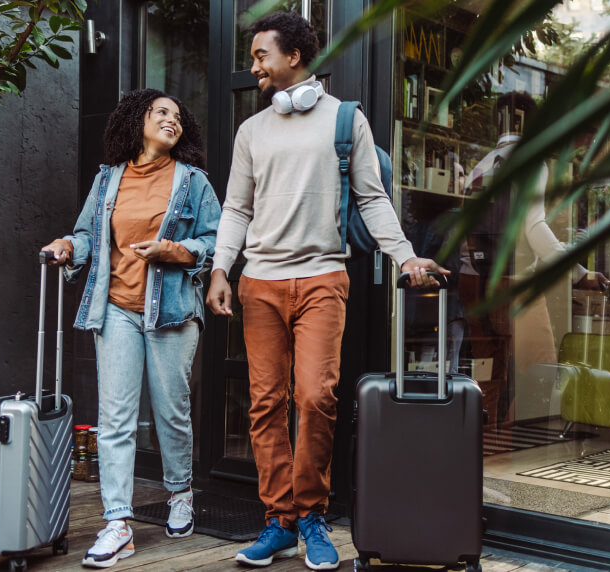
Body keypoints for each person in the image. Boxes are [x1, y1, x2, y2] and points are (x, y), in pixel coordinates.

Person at [205, 11, 447, 571]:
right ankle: (278, 521)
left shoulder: (345, 120)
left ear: (294, 56)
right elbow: (237, 207)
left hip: (321, 278)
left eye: (262, 55)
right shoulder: (251, 132)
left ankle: (312, 514)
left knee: (315, 398)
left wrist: (405, 255)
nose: (253, 65)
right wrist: (221, 269)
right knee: (265, 403)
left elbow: (372, 198)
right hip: (259, 282)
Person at [41, 88, 221, 569]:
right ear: (134, 121)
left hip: (172, 310)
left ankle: (179, 493)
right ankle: (117, 523)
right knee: (115, 418)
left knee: (171, 411)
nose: (171, 120)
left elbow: (215, 239)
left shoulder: (193, 182)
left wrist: (176, 252)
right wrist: (66, 245)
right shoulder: (107, 180)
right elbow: (86, 236)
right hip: (115, 307)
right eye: (161, 112)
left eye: (178, 117)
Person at [460, 90, 610, 425]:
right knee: (540, 366)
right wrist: (579, 273)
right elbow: (534, 228)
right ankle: (513, 446)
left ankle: (482, 448)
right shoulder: (532, 161)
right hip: (514, 282)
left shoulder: (479, 167)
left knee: (488, 370)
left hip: (473, 280)